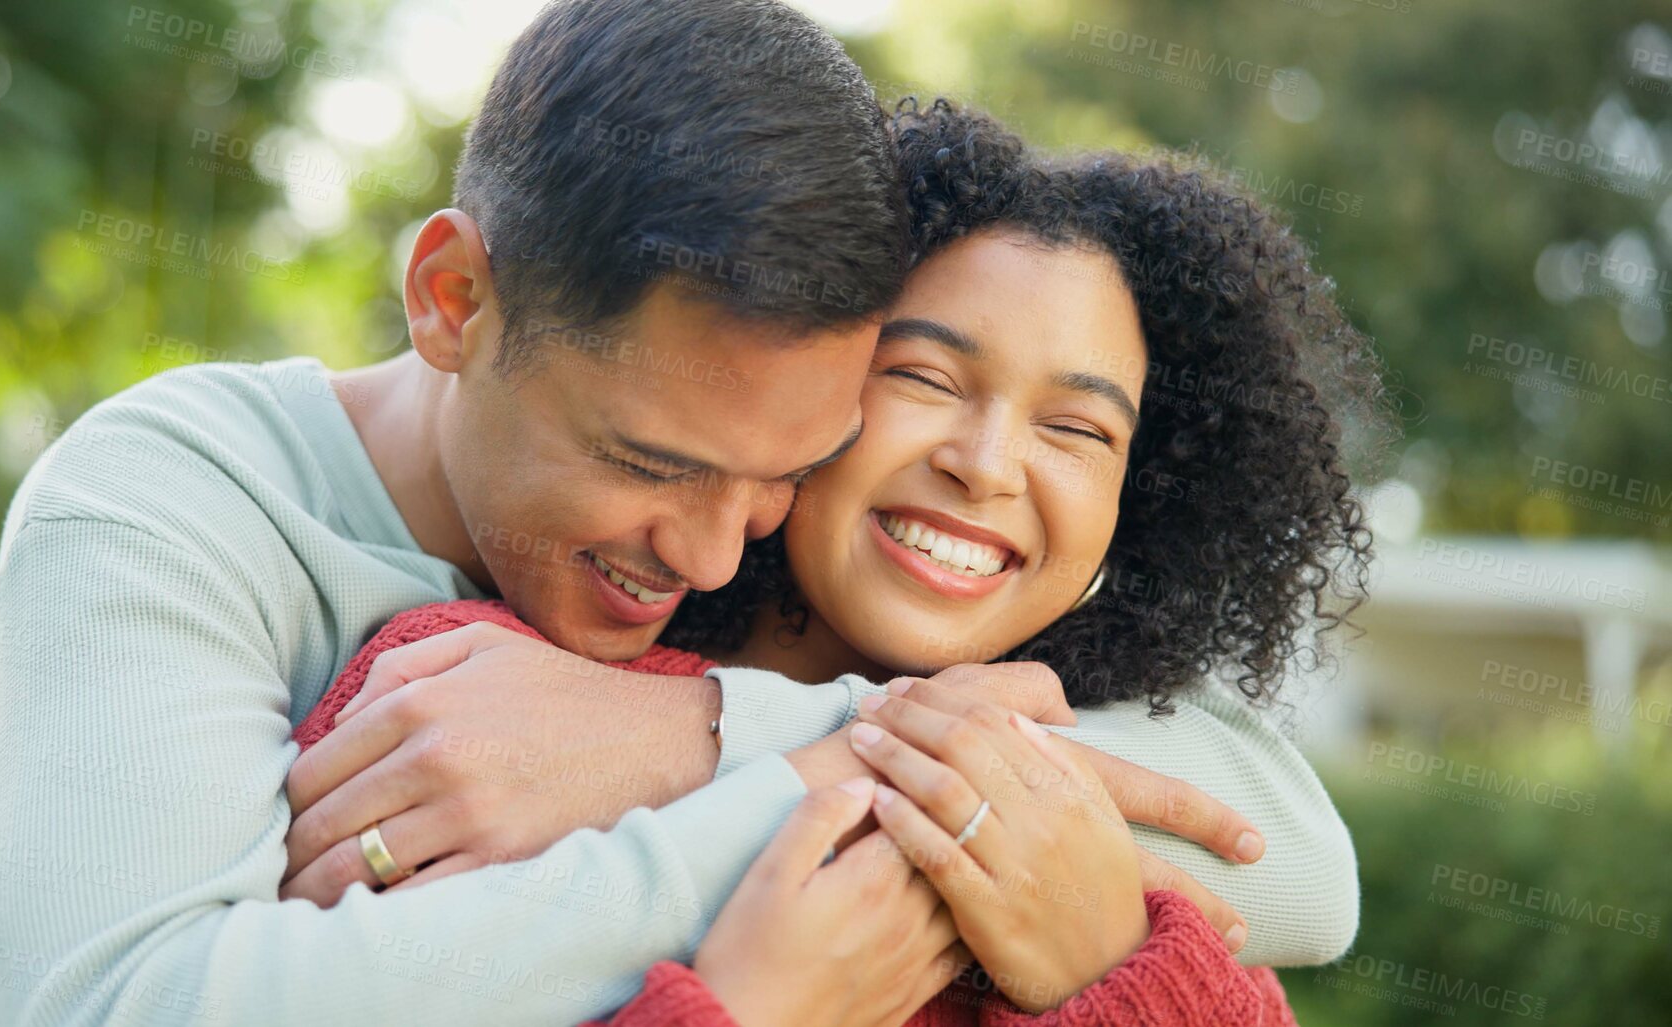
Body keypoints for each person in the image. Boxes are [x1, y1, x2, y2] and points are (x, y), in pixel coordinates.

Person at [0, 4, 1349, 1026]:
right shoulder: (180, 503)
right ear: (452, 299)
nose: (705, 552)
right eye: (650, 463)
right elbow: (123, 1005)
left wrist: (694, 738)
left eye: (778, 473)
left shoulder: (800, 610)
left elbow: (1289, 858)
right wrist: (779, 888)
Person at [291, 100, 1386, 1025]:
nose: (988, 464)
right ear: (800, 385)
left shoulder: (1124, 860)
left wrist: (1111, 971)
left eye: (1079, 430)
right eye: (926, 377)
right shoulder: (476, 696)